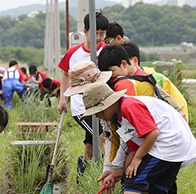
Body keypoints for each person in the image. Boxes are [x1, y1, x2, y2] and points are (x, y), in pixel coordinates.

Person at [97, 43, 185, 194]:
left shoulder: (123, 85)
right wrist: (114, 168)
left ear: (124, 64)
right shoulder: (141, 76)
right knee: (161, 186)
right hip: (172, 133)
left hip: (162, 137)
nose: (110, 78)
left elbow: (131, 134)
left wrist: (119, 167)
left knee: (134, 181)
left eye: (111, 72)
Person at [81, 82, 196, 194]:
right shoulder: (121, 114)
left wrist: (137, 158)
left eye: (96, 112)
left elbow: (152, 133)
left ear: (106, 105)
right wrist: (116, 172)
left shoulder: (128, 106)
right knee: (157, 188)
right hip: (177, 145)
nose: (96, 116)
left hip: (168, 143)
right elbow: (133, 146)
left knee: (133, 181)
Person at [57, 11, 108, 179]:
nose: (99, 37)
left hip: (103, 105)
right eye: (96, 33)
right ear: (85, 32)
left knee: (91, 145)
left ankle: (83, 176)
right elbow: (65, 75)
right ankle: (102, 172)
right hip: (82, 109)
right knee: (101, 135)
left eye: (102, 33)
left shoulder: (107, 52)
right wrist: (63, 99)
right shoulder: (73, 52)